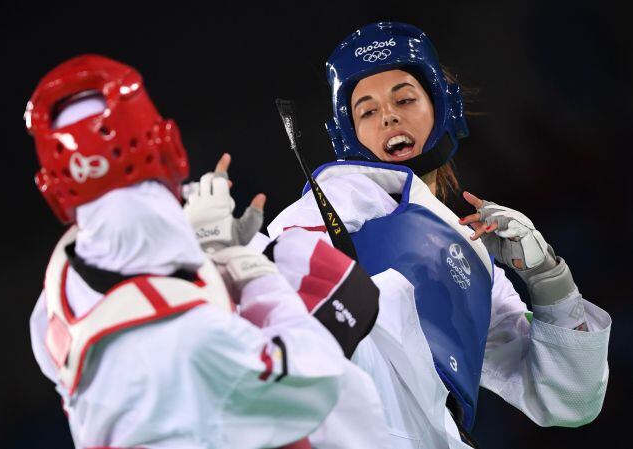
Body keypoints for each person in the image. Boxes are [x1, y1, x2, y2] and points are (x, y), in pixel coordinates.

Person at [261, 22, 611, 448]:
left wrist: (548, 279)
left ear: (442, 107)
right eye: (367, 111)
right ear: (348, 135)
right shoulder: (341, 193)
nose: (388, 115)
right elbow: (278, 277)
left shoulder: (475, 262)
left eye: (405, 98)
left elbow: (568, 399)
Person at [24, 54, 355, 449]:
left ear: (56, 189)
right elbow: (317, 379)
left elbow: (136, 257)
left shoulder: (52, 305)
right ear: (169, 145)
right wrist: (248, 271)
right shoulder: (196, 337)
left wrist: (197, 246)